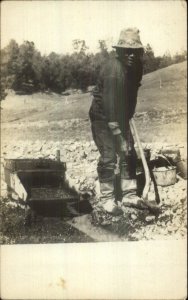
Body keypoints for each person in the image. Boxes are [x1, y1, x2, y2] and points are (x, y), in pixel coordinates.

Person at [89, 28, 144, 215]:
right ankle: (107, 199)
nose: (130, 54)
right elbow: (110, 108)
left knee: (129, 151)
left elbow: (132, 94)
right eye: (126, 50)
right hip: (102, 116)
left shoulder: (137, 67)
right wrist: (120, 136)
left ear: (139, 52)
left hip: (120, 114)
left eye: (134, 51)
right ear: (118, 51)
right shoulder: (113, 70)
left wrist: (128, 116)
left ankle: (129, 195)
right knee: (110, 155)